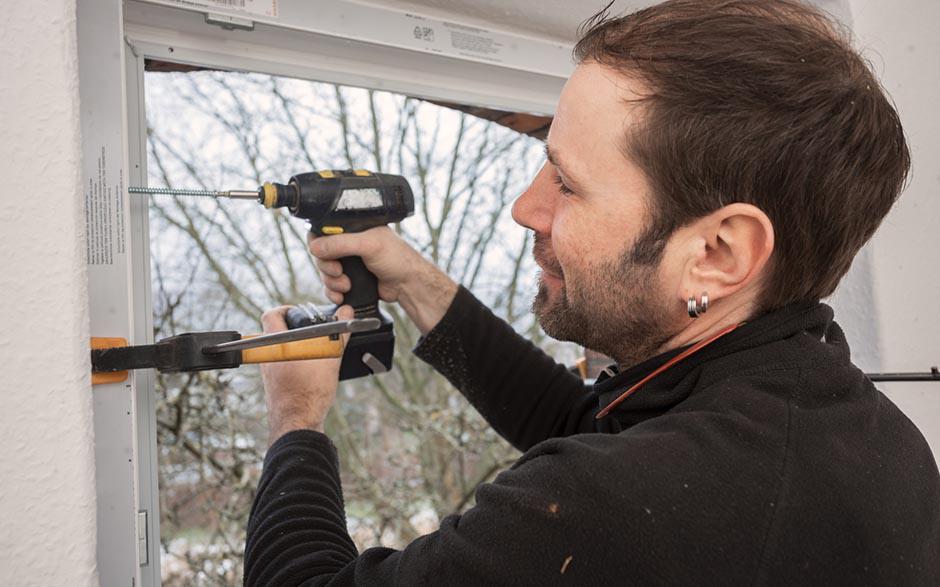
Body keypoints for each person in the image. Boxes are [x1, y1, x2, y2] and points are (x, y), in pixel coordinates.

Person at [244, 0, 940, 584]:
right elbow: (584, 421)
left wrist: (296, 417)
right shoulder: (865, 431)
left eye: (567, 183)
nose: (525, 207)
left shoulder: (612, 507)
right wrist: (417, 284)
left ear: (718, 253)